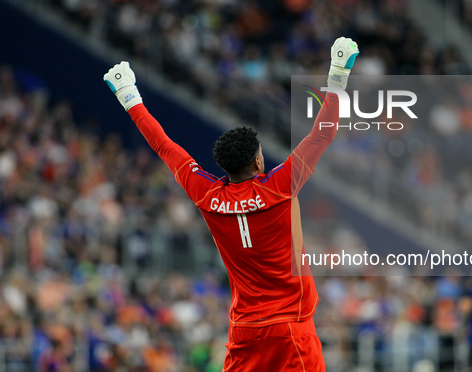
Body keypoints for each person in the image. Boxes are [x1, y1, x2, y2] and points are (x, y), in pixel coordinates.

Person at [103, 37, 359, 371]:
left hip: (244, 332)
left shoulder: (207, 195)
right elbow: (321, 134)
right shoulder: (280, 187)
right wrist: (338, 73)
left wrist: (129, 97)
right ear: (257, 161)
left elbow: (164, 146)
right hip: (290, 327)